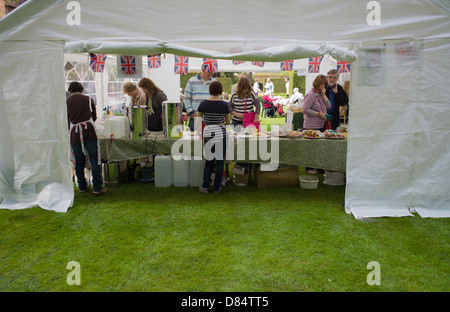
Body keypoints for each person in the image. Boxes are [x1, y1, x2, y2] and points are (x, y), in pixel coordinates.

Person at [66, 82, 107, 195]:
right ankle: (97, 187)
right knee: (94, 159)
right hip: (88, 131)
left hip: (75, 133)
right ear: (82, 90)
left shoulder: (67, 102)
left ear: (69, 91)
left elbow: (66, 119)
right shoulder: (88, 99)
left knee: (78, 161)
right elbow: (93, 117)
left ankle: (82, 186)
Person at [197, 81, 231, 194]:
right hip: (220, 131)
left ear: (209, 90)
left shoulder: (203, 104)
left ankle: (205, 186)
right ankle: (217, 187)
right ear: (220, 91)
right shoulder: (224, 104)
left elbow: (198, 119)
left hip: (208, 132)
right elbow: (228, 121)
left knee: (209, 161)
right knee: (220, 161)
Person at [302, 75, 331, 174]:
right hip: (311, 125)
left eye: (324, 84)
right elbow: (305, 110)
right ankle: (309, 167)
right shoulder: (311, 95)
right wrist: (318, 114)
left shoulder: (321, 95)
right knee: (311, 148)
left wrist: (324, 95)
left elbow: (329, 106)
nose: (323, 86)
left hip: (321, 124)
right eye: (321, 84)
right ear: (317, 83)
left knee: (320, 148)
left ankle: (319, 166)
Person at [184, 66, 216, 131]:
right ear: (203, 70)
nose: (211, 74)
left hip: (210, 119)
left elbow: (218, 99)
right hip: (195, 118)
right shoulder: (192, 81)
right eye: (209, 72)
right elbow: (186, 98)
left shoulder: (214, 82)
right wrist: (192, 113)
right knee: (195, 140)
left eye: (212, 72)